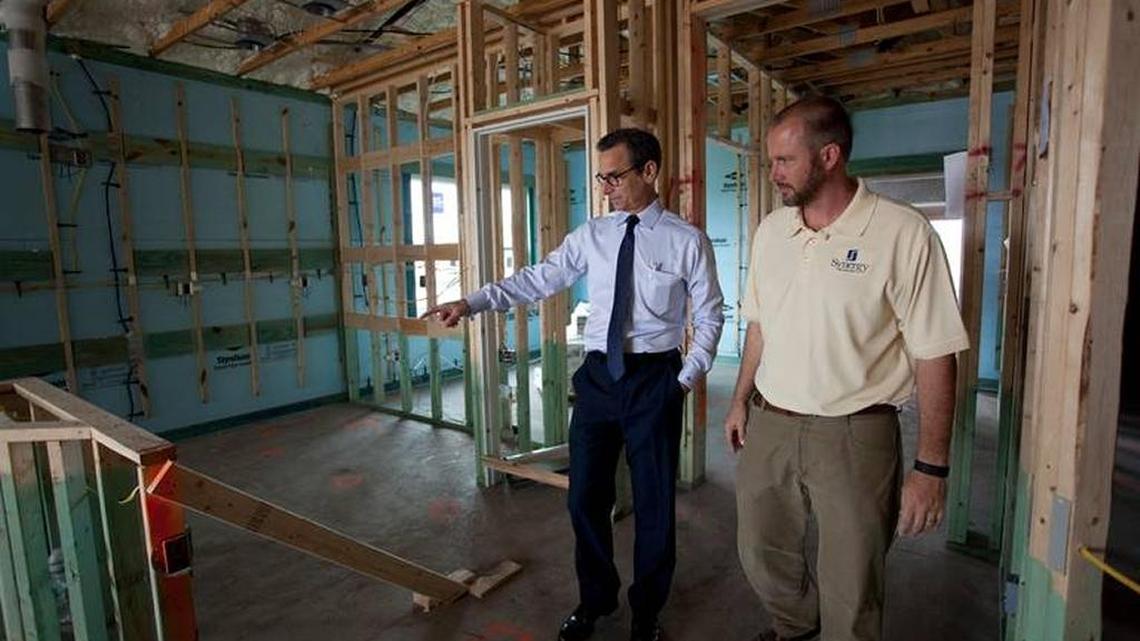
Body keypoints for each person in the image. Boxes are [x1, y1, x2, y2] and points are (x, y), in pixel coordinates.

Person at [423, 128, 724, 641]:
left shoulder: (685, 240)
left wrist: (683, 380)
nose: (604, 188)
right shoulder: (593, 235)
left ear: (649, 171)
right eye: (600, 178)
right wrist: (471, 302)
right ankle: (596, 600)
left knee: (654, 503)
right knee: (584, 497)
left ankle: (646, 613)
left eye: (614, 177)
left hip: (654, 379)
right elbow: (538, 277)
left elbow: (712, 314)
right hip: (599, 380)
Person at [724, 96, 968, 641]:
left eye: (785, 161)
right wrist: (739, 399)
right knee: (760, 552)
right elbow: (759, 325)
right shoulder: (771, 232)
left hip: (857, 434)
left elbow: (935, 352)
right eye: (771, 160)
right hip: (772, 422)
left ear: (829, 156)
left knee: (853, 582)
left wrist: (931, 469)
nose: (773, 173)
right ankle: (795, 627)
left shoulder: (903, 233)